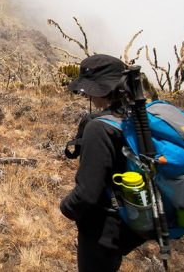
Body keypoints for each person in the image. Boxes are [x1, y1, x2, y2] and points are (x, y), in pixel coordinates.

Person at [59, 54, 145, 272]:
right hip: (127, 222)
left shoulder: (99, 128)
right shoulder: (134, 117)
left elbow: (87, 194)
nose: (84, 93)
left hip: (101, 229)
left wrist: (66, 207)